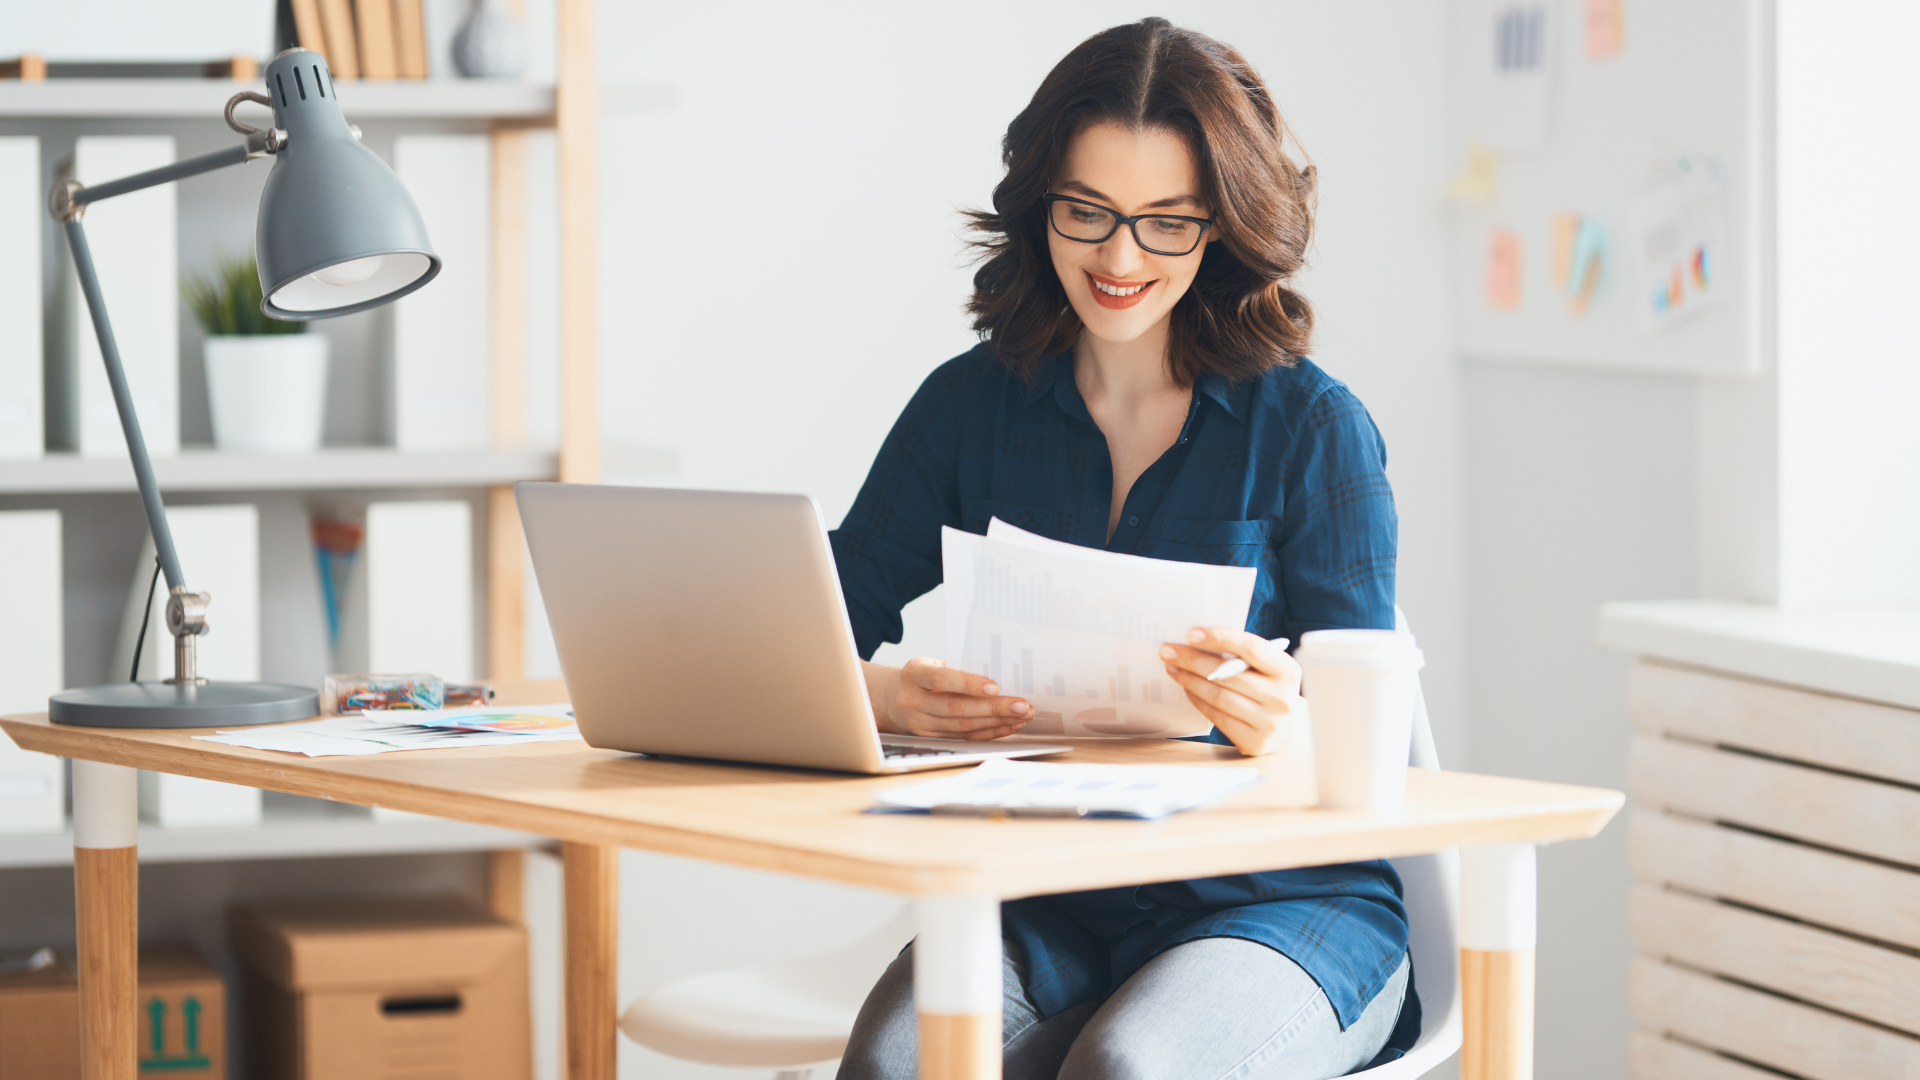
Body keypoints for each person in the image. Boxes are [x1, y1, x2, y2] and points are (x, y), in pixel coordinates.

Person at [829, 18, 1416, 1080]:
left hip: (1281, 905)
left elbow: (1365, 730)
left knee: (1130, 1069)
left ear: (1225, 228)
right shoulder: (970, 406)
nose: (1118, 257)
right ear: (1038, 203)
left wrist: (1285, 721)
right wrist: (885, 695)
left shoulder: (1313, 430)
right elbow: (816, 616)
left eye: (1167, 225)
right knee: (892, 1064)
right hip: (1047, 896)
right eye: (1087, 212)